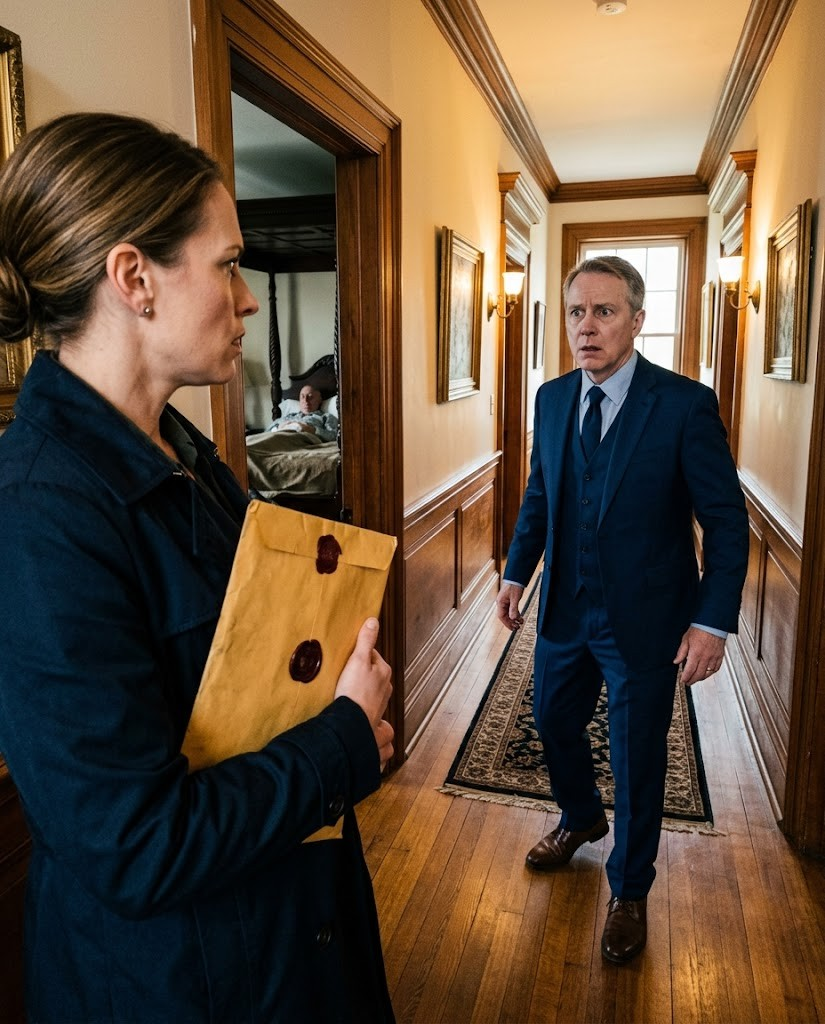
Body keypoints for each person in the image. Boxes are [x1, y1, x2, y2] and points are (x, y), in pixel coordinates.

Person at [0, 112, 395, 1022]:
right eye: (228, 264)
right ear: (134, 278)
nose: (247, 298)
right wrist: (341, 743)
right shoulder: (37, 510)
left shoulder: (184, 454)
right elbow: (134, 846)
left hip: (280, 937)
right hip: (177, 985)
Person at [496, 255, 748, 966]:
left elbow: (726, 522)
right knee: (551, 720)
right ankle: (580, 817)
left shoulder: (684, 405)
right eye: (576, 312)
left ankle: (630, 889)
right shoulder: (551, 399)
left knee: (637, 757)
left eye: (604, 312)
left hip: (646, 618)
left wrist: (711, 621)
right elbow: (540, 496)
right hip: (564, 608)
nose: (587, 327)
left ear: (637, 321)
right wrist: (515, 572)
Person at [270, 384, 338, 441]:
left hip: (299, 439)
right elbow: (267, 431)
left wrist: (313, 430)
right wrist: (279, 427)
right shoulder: (289, 416)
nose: (306, 401)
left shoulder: (325, 417)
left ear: (319, 400)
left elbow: (334, 436)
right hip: (279, 436)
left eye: (310, 397)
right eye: (302, 397)